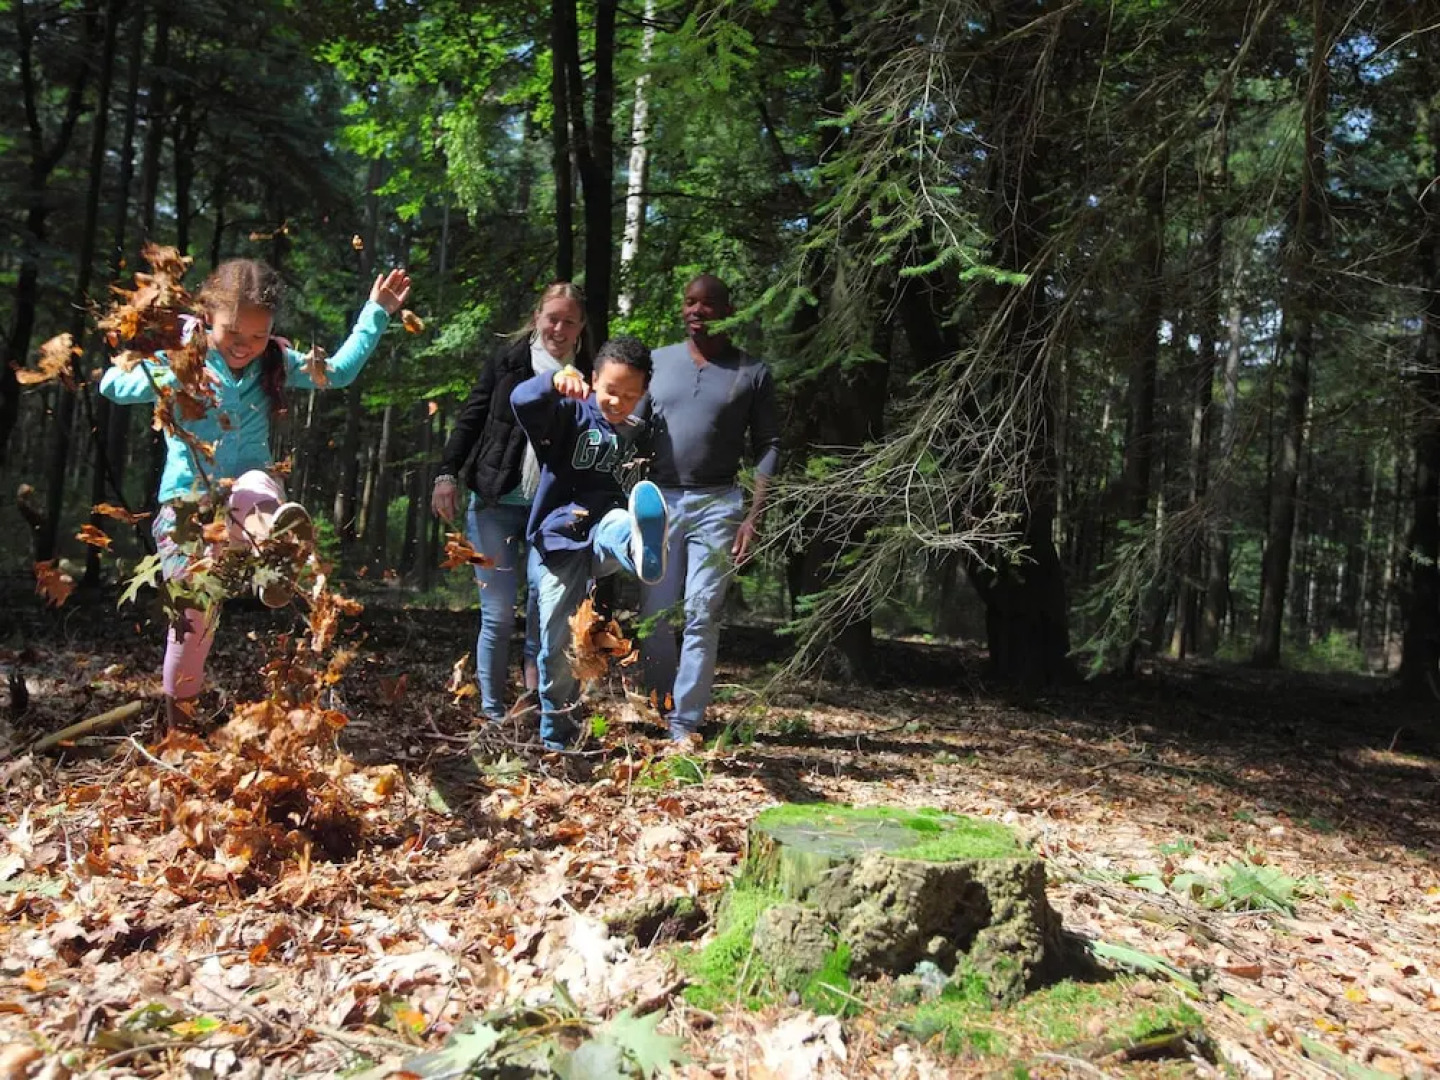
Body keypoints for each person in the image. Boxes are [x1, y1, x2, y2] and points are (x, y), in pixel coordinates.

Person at [100, 258, 412, 721]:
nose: (244, 346)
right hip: (186, 507)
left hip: (248, 499)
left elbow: (339, 371)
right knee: (192, 625)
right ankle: (179, 727)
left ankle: (275, 548)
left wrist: (376, 311)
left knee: (255, 486)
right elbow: (111, 384)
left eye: (258, 336)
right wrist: (173, 376)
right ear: (207, 317)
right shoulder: (179, 352)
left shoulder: (276, 362)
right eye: (232, 333)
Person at [431, 283, 588, 722]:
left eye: (569, 321)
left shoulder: (588, 372)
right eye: (552, 317)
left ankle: (537, 706)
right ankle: (493, 712)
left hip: (552, 512)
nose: (559, 328)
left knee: (547, 612)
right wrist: (447, 473)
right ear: (538, 316)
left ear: (581, 328)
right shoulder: (509, 360)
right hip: (494, 500)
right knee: (498, 616)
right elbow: (472, 416)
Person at [510, 337, 669, 750]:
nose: (619, 402)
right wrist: (554, 381)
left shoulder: (640, 435)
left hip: (603, 535)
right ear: (594, 378)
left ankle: (640, 550)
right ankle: (557, 733)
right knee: (556, 643)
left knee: (619, 521)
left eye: (631, 396)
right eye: (611, 391)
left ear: (644, 393)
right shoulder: (569, 414)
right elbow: (521, 401)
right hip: (559, 541)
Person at [640, 274, 781, 742]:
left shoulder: (751, 372)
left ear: (727, 310)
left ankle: (686, 722)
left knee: (703, 611)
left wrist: (753, 515)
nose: (695, 311)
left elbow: (768, 446)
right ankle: (659, 706)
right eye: (689, 302)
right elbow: (627, 423)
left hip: (720, 503)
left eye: (706, 304)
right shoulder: (656, 363)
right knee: (656, 613)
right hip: (658, 502)